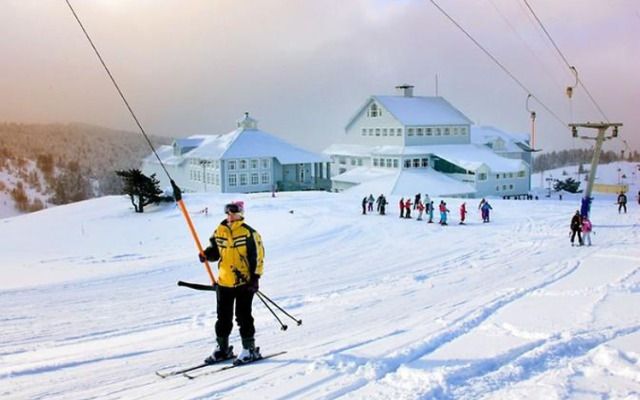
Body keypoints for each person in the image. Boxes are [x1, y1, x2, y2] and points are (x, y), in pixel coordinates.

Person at [199, 201, 265, 364]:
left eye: (234, 214)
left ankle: (249, 349)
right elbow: (215, 252)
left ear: (241, 214)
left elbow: (258, 257)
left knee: (243, 316)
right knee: (223, 318)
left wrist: (255, 278)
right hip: (224, 282)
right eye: (228, 214)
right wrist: (206, 255)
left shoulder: (249, 233)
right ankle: (222, 348)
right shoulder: (219, 231)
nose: (230, 216)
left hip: (244, 282)